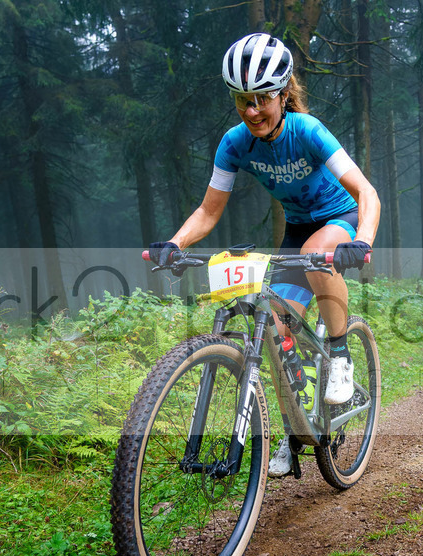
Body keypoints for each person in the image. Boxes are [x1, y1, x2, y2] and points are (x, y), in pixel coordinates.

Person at [147, 33, 380, 477]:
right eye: (241, 100)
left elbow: (367, 192)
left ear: (283, 92)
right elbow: (208, 211)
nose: (251, 110)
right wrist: (176, 243)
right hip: (297, 227)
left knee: (317, 251)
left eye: (261, 99)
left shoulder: (306, 131)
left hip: (340, 216)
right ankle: (297, 434)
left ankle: (341, 354)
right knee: (275, 330)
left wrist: (362, 240)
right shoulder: (235, 143)